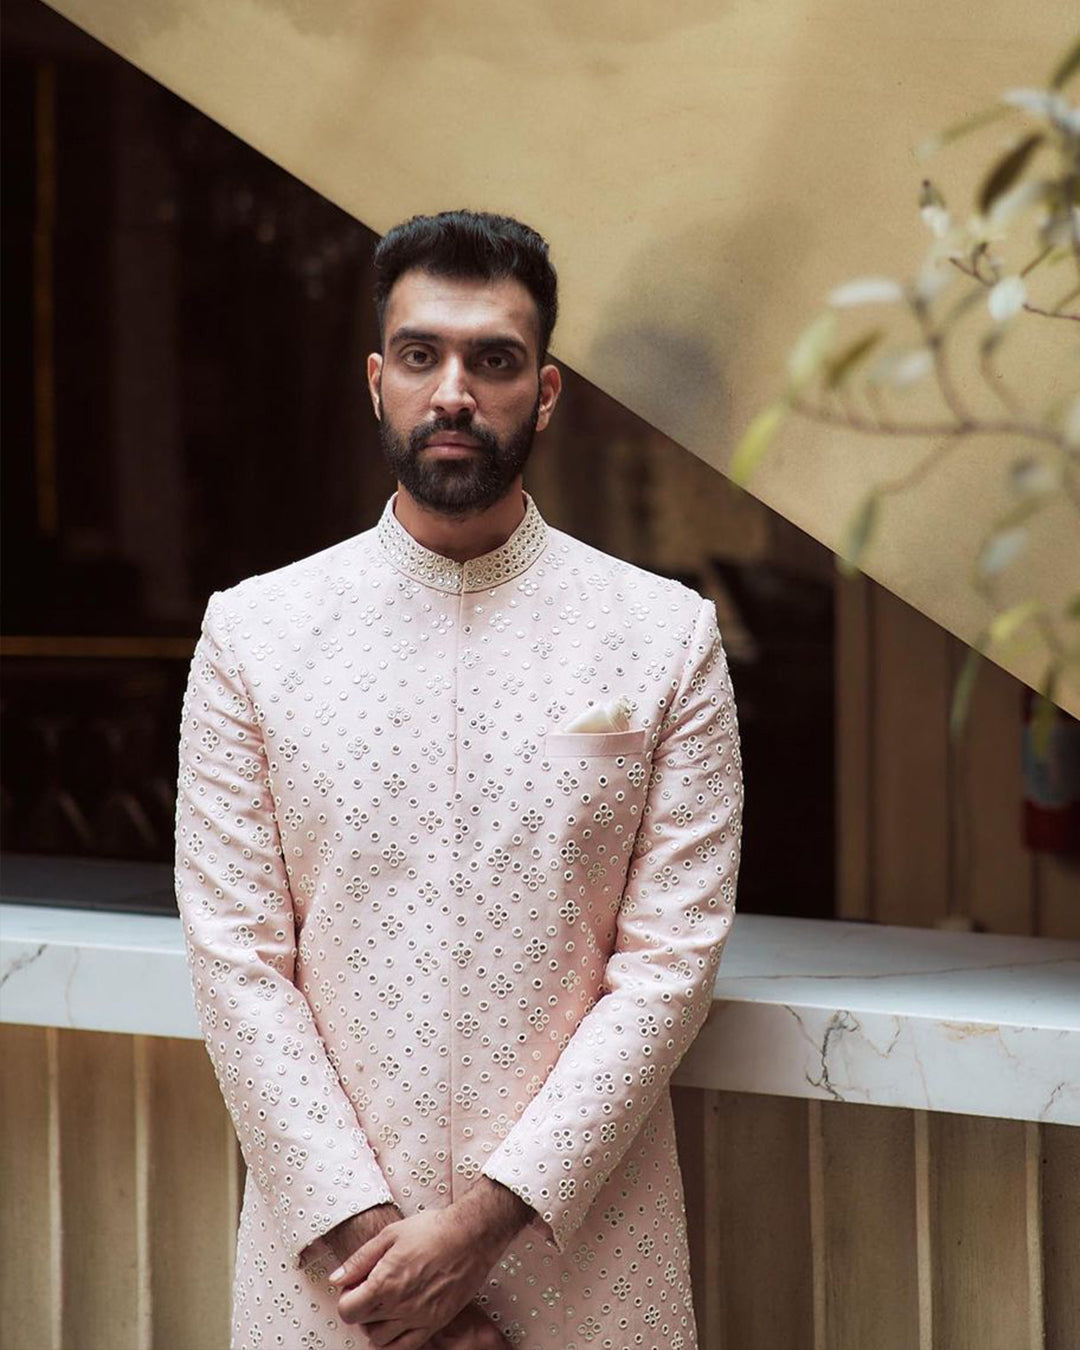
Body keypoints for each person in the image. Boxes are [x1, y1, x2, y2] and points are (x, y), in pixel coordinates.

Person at [174, 208, 744, 1350]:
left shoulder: (662, 637)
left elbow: (671, 966)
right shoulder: (255, 635)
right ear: (377, 382)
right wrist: (387, 1265)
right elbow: (238, 963)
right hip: (339, 1277)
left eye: (494, 360)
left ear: (545, 393)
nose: (454, 391)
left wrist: (478, 1231)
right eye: (423, 355)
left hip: (585, 1252)